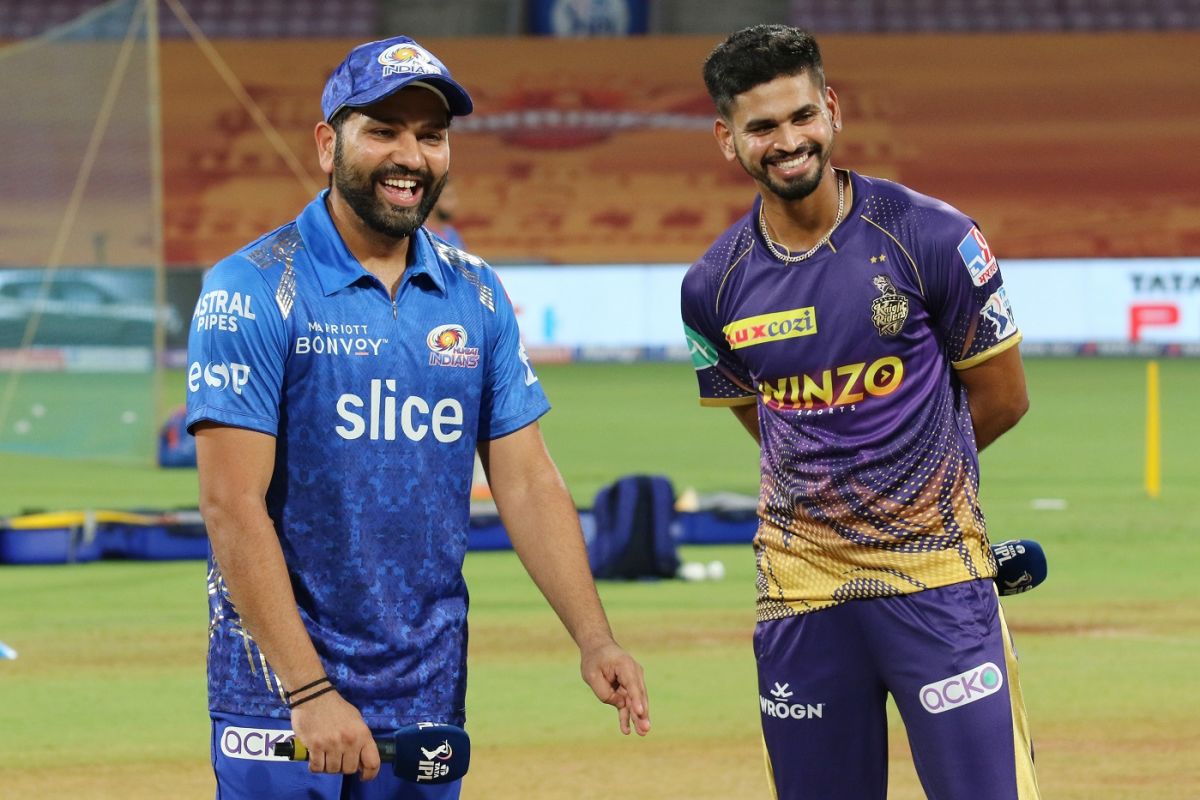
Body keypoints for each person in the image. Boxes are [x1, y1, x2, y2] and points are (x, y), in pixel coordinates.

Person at [187, 35, 650, 800]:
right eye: (384, 131)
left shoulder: (478, 293)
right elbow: (230, 505)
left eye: (431, 136)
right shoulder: (251, 287)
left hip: (427, 697)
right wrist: (308, 690)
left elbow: (528, 480)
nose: (411, 155)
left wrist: (593, 636)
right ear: (327, 143)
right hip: (279, 703)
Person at [681, 25, 1038, 800]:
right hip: (800, 593)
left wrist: (901, 478)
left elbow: (1004, 397)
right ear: (727, 139)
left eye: (801, 115)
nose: (787, 141)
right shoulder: (710, 288)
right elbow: (770, 425)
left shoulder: (933, 237)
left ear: (832, 109)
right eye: (762, 127)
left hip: (938, 575)